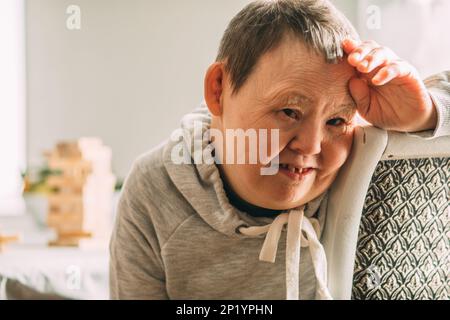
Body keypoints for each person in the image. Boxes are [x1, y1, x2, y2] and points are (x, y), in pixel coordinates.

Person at [109, 0, 450, 299]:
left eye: (335, 122)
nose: (312, 145)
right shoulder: (155, 189)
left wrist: (427, 113)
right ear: (218, 90)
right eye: (289, 112)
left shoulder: (359, 165)